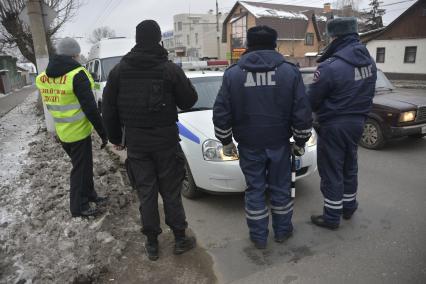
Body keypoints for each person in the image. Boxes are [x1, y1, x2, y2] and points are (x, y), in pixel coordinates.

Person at [102, 20, 198, 261]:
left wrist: (115, 138)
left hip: (137, 144)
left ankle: (152, 244)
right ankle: (179, 239)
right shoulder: (169, 68)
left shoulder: (120, 70)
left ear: (137, 39)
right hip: (165, 142)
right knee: (171, 192)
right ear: (158, 40)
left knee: (146, 193)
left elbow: (109, 110)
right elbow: (189, 101)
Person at [213, 26, 312, 249]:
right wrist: (300, 142)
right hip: (279, 144)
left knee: (255, 190)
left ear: (247, 45)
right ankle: (283, 232)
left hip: (249, 145)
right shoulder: (290, 71)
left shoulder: (233, 74)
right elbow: (302, 112)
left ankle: (258, 237)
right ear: (275, 45)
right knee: (281, 188)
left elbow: (221, 112)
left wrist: (226, 141)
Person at [308, 17, 377, 229]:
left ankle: (331, 217)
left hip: (334, 125)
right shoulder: (369, 62)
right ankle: (349, 208)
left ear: (335, 37)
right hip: (358, 123)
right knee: (350, 166)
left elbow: (312, 100)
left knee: (331, 171)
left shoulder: (331, 66)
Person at [35, 37, 108, 218]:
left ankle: (90, 194)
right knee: (79, 171)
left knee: (84, 167)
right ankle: (78, 206)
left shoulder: (43, 77)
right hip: (78, 132)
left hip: (63, 132)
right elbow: (90, 108)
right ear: (74, 55)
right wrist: (103, 132)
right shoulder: (78, 74)